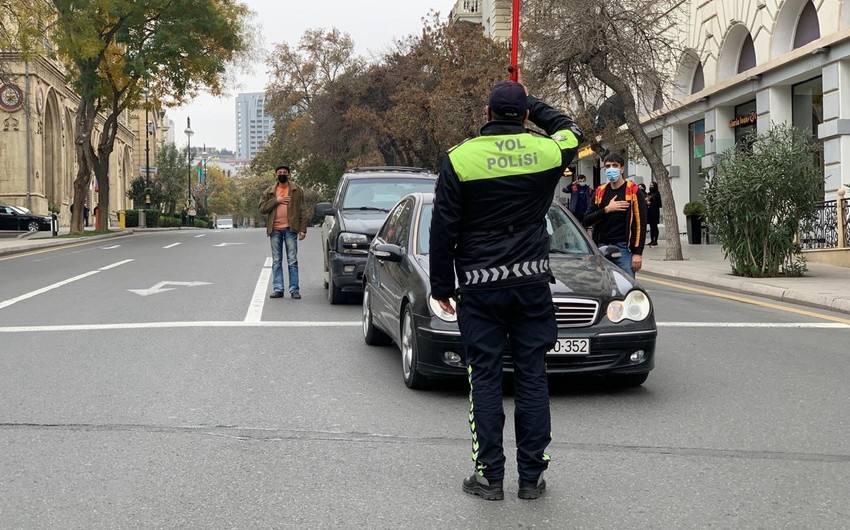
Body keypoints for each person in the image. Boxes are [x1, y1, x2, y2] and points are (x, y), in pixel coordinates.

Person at [430, 78, 582, 501]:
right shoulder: (548, 151)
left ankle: (489, 476)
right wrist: (534, 104)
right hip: (532, 281)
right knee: (533, 376)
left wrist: (442, 283)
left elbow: (444, 226)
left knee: (485, 376)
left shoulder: (460, 158)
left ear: (487, 113)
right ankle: (531, 479)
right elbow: (572, 130)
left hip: (480, 286)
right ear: (524, 114)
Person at [583, 153, 647, 276]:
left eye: (615, 165)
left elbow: (640, 224)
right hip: (601, 248)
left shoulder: (633, 192)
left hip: (624, 249)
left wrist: (638, 253)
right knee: (604, 287)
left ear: (622, 169)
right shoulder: (599, 192)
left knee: (627, 286)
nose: (611, 169)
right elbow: (586, 220)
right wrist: (607, 209)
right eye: (608, 166)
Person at [258, 164, 311, 299]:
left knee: (292, 260)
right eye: (280, 172)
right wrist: (277, 200)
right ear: (276, 175)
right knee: (276, 261)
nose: (282, 174)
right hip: (275, 230)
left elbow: (302, 210)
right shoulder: (269, 191)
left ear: (289, 174)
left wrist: (303, 230)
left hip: (290, 229)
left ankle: (294, 290)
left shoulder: (296, 190)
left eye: (285, 172)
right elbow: (262, 208)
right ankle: (278, 289)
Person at [646, 181, 662, 247]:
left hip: (655, 211)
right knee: (651, 226)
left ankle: (655, 240)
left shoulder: (657, 193)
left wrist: (651, 203)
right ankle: (652, 240)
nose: (650, 187)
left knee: (655, 226)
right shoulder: (649, 193)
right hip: (649, 212)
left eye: (652, 185)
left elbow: (659, 204)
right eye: (650, 185)